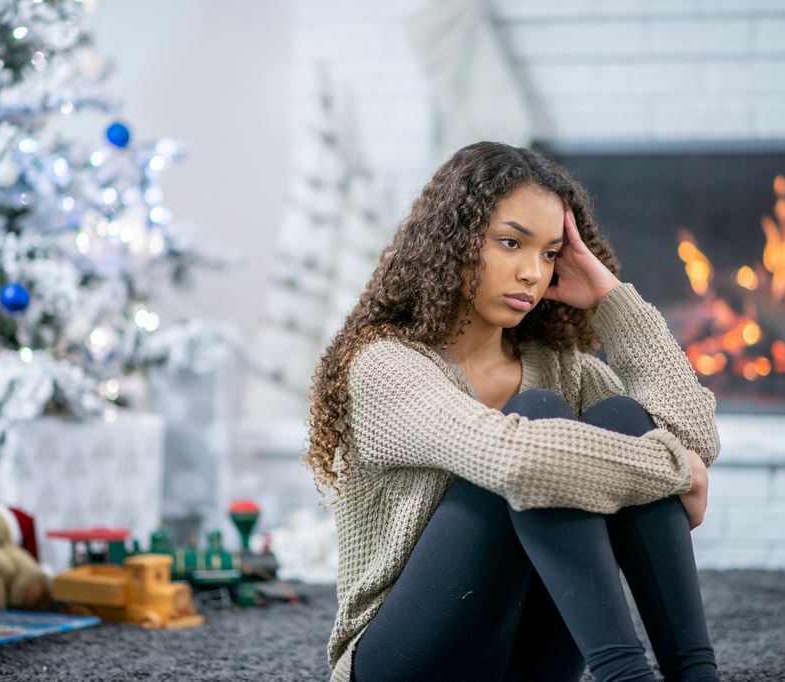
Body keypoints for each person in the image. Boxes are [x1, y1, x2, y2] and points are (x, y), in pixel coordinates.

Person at [306, 141, 721, 682]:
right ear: (451, 243)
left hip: (527, 659)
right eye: (511, 243)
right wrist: (671, 471)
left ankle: (696, 673)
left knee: (622, 415)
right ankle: (627, 676)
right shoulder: (385, 366)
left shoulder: (560, 366)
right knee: (538, 418)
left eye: (550, 254)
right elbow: (517, 461)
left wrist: (609, 296)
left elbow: (691, 435)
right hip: (405, 661)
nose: (533, 272)